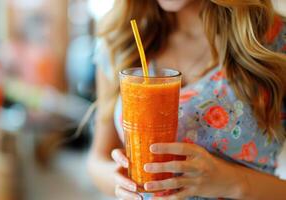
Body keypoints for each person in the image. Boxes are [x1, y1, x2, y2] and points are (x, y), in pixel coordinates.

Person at [87, 0, 286, 199]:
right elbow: (98, 161)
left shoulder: (277, 42)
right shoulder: (121, 40)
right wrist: (121, 181)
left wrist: (233, 182)